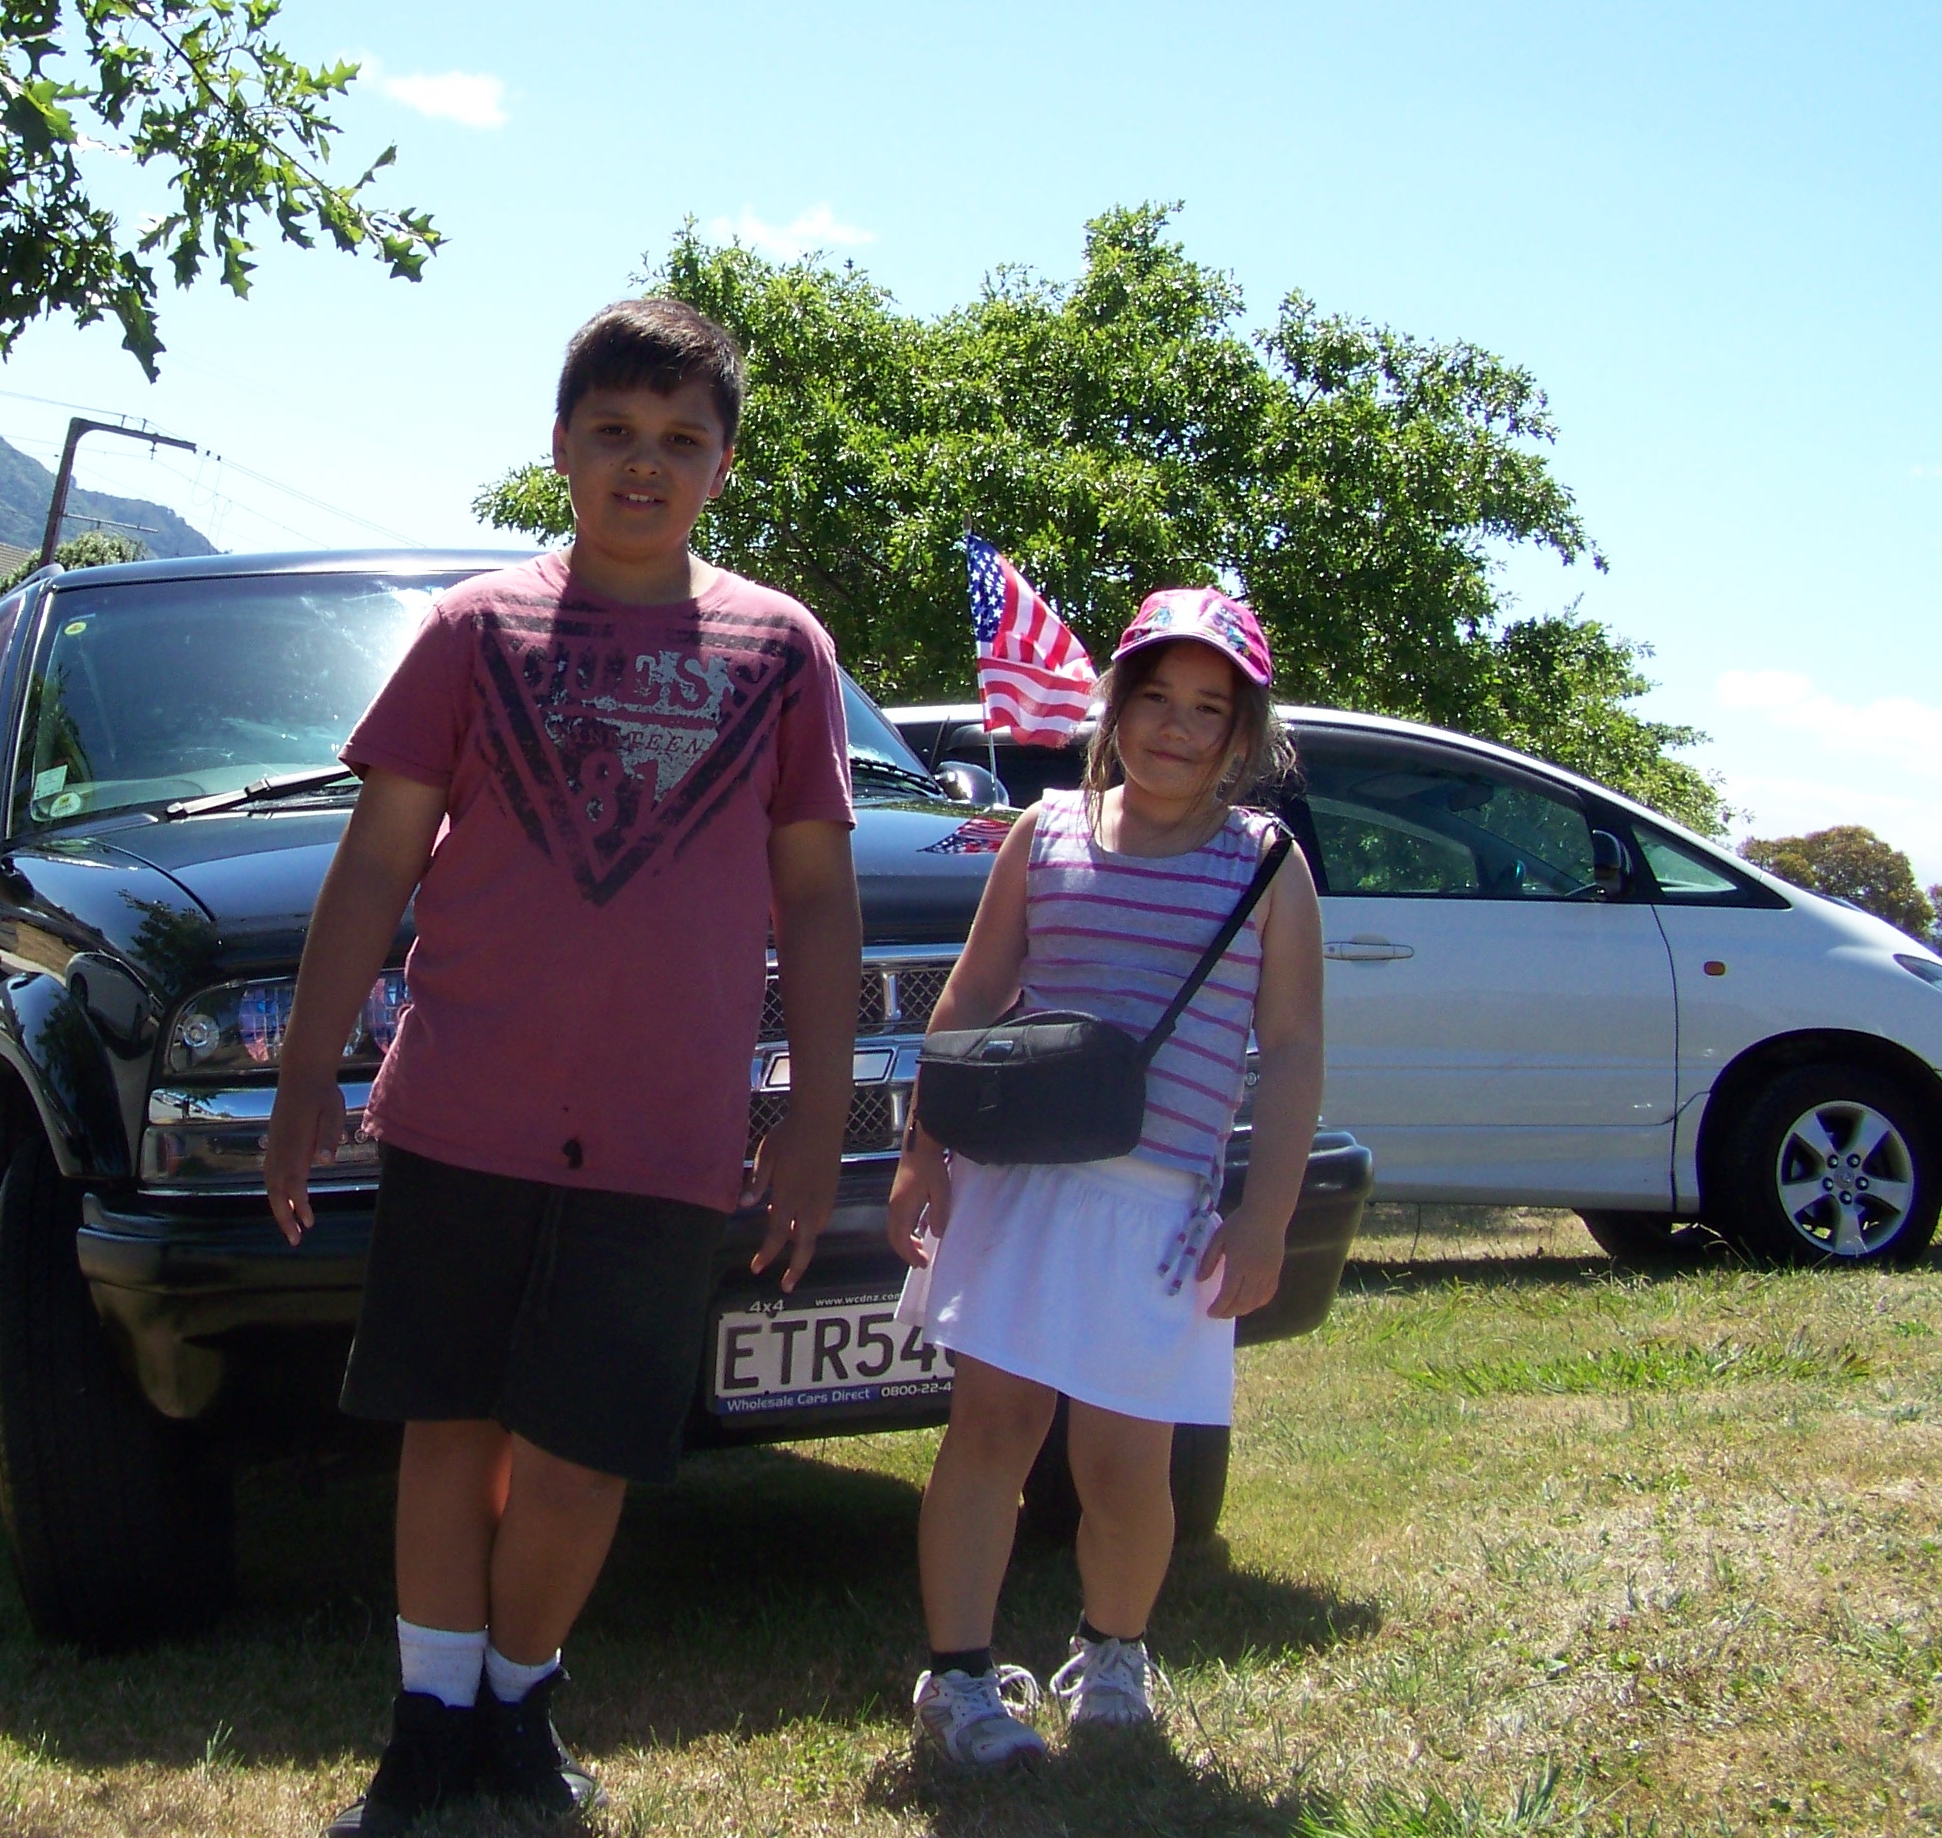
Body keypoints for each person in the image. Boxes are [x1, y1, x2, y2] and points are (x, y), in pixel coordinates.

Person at [265, 297, 863, 1835]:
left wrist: (815, 1119)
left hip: (669, 1136)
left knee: (585, 1456)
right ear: (559, 447)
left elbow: (815, 895)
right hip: (466, 1110)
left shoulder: (782, 650)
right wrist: (308, 1071)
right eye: (613, 433)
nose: (642, 465)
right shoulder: (473, 631)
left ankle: (515, 1706)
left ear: (723, 465)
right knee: (451, 1429)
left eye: (679, 439)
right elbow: (375, 861)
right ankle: (424, 1726)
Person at [888, 587, 1325, 1766]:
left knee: (1127, 1460)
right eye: (1155, 697)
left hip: (1159, 1209)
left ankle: (1114, 1652)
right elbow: (973, 996)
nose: (1177, 727)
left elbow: (1292, 1051)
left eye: (1209, 708)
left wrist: (1267, 1216)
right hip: (1019, 1188)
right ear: (1114, 707)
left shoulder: (1267, 865)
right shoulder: (1044, 833)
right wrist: (924, 1149)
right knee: (991, 1431)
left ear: (1243, 734)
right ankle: (959, 1681)